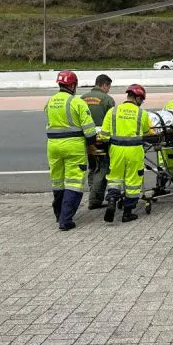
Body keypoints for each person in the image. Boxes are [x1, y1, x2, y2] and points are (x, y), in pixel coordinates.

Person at [44, 70, 98, 231]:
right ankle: (65, 220)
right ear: (73, 85)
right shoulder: (77, 103)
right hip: (73, 146)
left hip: (53, 146)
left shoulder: (50, 101)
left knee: (58, 180)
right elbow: (89, 130)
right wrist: (92, 146)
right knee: (74, 182)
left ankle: (58, 213)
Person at [98, 84, 151, 223]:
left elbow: (103, 135)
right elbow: (147, 133)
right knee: (133, 182)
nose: (142, 103)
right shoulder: (142, 113)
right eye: (142, 100)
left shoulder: (113, 111)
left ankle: (112, 202)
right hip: (134, 150)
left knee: (114, 178)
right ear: (138, 98)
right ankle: (127, 213)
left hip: (116, 150)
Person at [80, 74, 116, 209]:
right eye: (108, 87)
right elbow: (112, 121)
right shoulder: (107, 99)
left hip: (87, 140)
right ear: (104, 85)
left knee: (93, 167)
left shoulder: (82, 98)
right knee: (101, 168)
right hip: (100, 140)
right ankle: (94, 200)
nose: (108, 90)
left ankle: (93, 195)